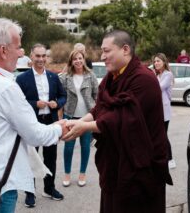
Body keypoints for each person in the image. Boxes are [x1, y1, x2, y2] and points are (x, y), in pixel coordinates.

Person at [0, 18, 68, 213]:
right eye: (18, 47)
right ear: (3, 50)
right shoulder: (5, 87)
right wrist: (62, 127)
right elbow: (35, 135)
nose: (22, 53)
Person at [62, 30, 172, 213]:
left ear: (125, 49)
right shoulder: (111, 77)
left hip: (140, 166)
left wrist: (85, 128)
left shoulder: (144, 79)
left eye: (106, 51)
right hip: (117, 162)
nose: (102, 56)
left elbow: (122, 118)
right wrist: (79, 121)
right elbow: (100, 108)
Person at [16, 44, 67, 207]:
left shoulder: (53, 76)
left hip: (50, 122)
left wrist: (56, 103)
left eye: (44, 56)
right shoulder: (22, 79)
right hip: (32, 123)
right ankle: (29, 192)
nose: (41, 59)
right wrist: (34, 103)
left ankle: (49, 188)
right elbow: (17, 102)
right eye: (37, 56)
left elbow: (63, 96)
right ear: (31, 56)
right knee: (31, 158)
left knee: (51, 158)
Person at [59, 50, 98, 187]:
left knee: (85, 146)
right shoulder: (65, 77)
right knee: (68, 147)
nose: (78, 61)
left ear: (83, 59)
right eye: (75, 59)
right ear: (71, 61)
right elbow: (61, 96)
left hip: (86, 118)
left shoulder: (90, 75)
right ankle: (67, 174)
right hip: (70, 116)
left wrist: (96, 113)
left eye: (80, 58)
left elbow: (96, 95)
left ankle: (82, 174)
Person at [152, 53, 176, 169]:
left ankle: (170, 159)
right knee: (156, 134)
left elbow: (158, 88)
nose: (156, 63)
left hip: (164, 109)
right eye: (155, 61)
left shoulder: (168, 74)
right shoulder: (156, 74)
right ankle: (159, 157)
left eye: (158, 61)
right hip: (155, 109)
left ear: (164, 62)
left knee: (163, 135)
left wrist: (150, 79)